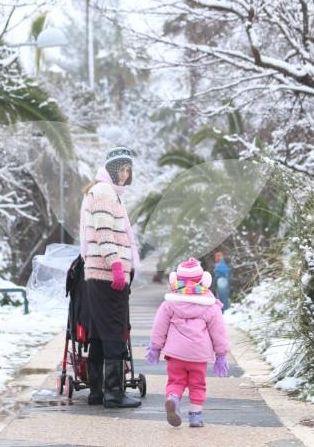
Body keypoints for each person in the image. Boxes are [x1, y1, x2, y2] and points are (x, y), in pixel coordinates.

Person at [79, 146, 141, 408]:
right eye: (122, 169)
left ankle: (97, 392)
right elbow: (104, 232)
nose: (126, 174)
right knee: (115, 331)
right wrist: (116, 265)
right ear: (113, 169)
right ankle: (114, 393)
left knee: (99, 333)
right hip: (107, 275)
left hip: (98, 275)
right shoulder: (104, 192)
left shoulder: (104, 192)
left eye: (129, 170)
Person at [145, 258, 230, 427]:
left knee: (175, 381)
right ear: (204, 279)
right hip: (198, 355)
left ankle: (173, 399)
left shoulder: (169, 304)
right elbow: (218, 332)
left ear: (176, 279)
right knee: (197, 385)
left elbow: (159, 327)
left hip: (175, 353)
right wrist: (221, 355)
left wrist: (155, 347)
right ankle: (195, 416)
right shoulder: (210, 306)